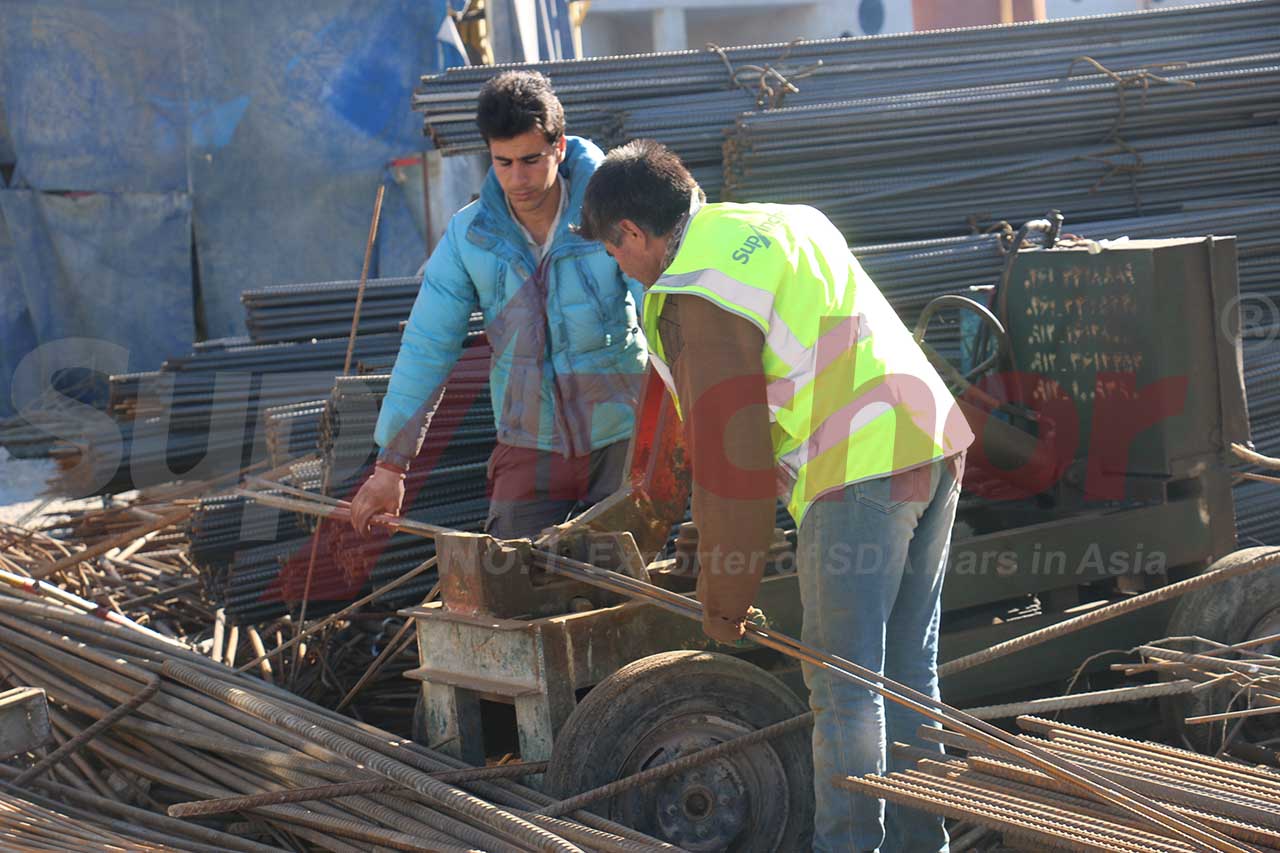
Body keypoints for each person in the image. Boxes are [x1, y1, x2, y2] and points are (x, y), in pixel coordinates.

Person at [575, 139, 973, 853]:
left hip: (857, 466)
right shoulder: (784, 221)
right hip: (932, 439)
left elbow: (733, 464)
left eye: (613, 252)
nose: (620, 268)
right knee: (909, 673)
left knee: (844, 686)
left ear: (632, 233)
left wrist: (723, 599)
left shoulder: (696, 289)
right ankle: (924, 844)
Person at [350, 72, 647, 538]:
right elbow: (428, 346)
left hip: (622, 438)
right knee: (510, 583)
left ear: (560, 147)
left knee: (628, 585)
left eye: (531, 160)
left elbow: (663, 304)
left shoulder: (614, 213)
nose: (518, 178)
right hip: (528, 442)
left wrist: (687, 415)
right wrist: (391, 464)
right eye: (502, 162)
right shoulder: (471, 237)